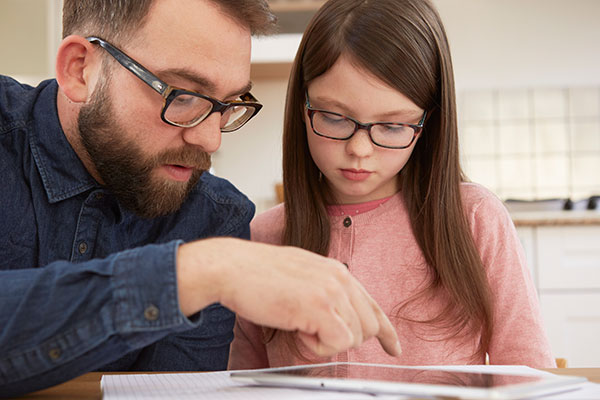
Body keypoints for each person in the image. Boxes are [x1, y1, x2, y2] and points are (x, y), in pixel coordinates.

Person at [0, 0, 402, 396]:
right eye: (184, 95)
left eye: (228, 105)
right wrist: (191, 275)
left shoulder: (216, 220)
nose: (209, 140)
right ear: (80, 69)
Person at [228, 0, 555, 370]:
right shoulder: (264, 237)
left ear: (428, 123)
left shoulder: (476, 219)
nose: (359, 149)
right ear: (302, 106)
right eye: (334, 117)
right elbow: (243, 383)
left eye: (393, 126)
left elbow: (528, 374)